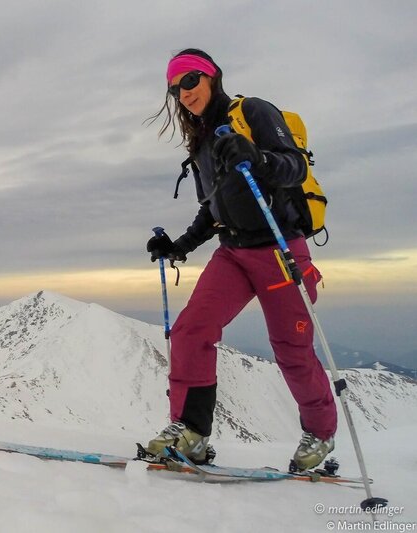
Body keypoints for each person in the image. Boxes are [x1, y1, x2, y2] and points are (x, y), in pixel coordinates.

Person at [143, 49, 338, 471]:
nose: (183, 93)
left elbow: (294, 168)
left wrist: (258, 158)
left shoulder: (253, 112)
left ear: (212, 76)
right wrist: (179, 245)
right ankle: (191, 432)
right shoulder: (202, 140)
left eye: (190, 81)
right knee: (191, 330)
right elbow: (213, 208)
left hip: (279, 247)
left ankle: (320, 433)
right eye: (175, 88)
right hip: (232, 252)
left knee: (292, 349)